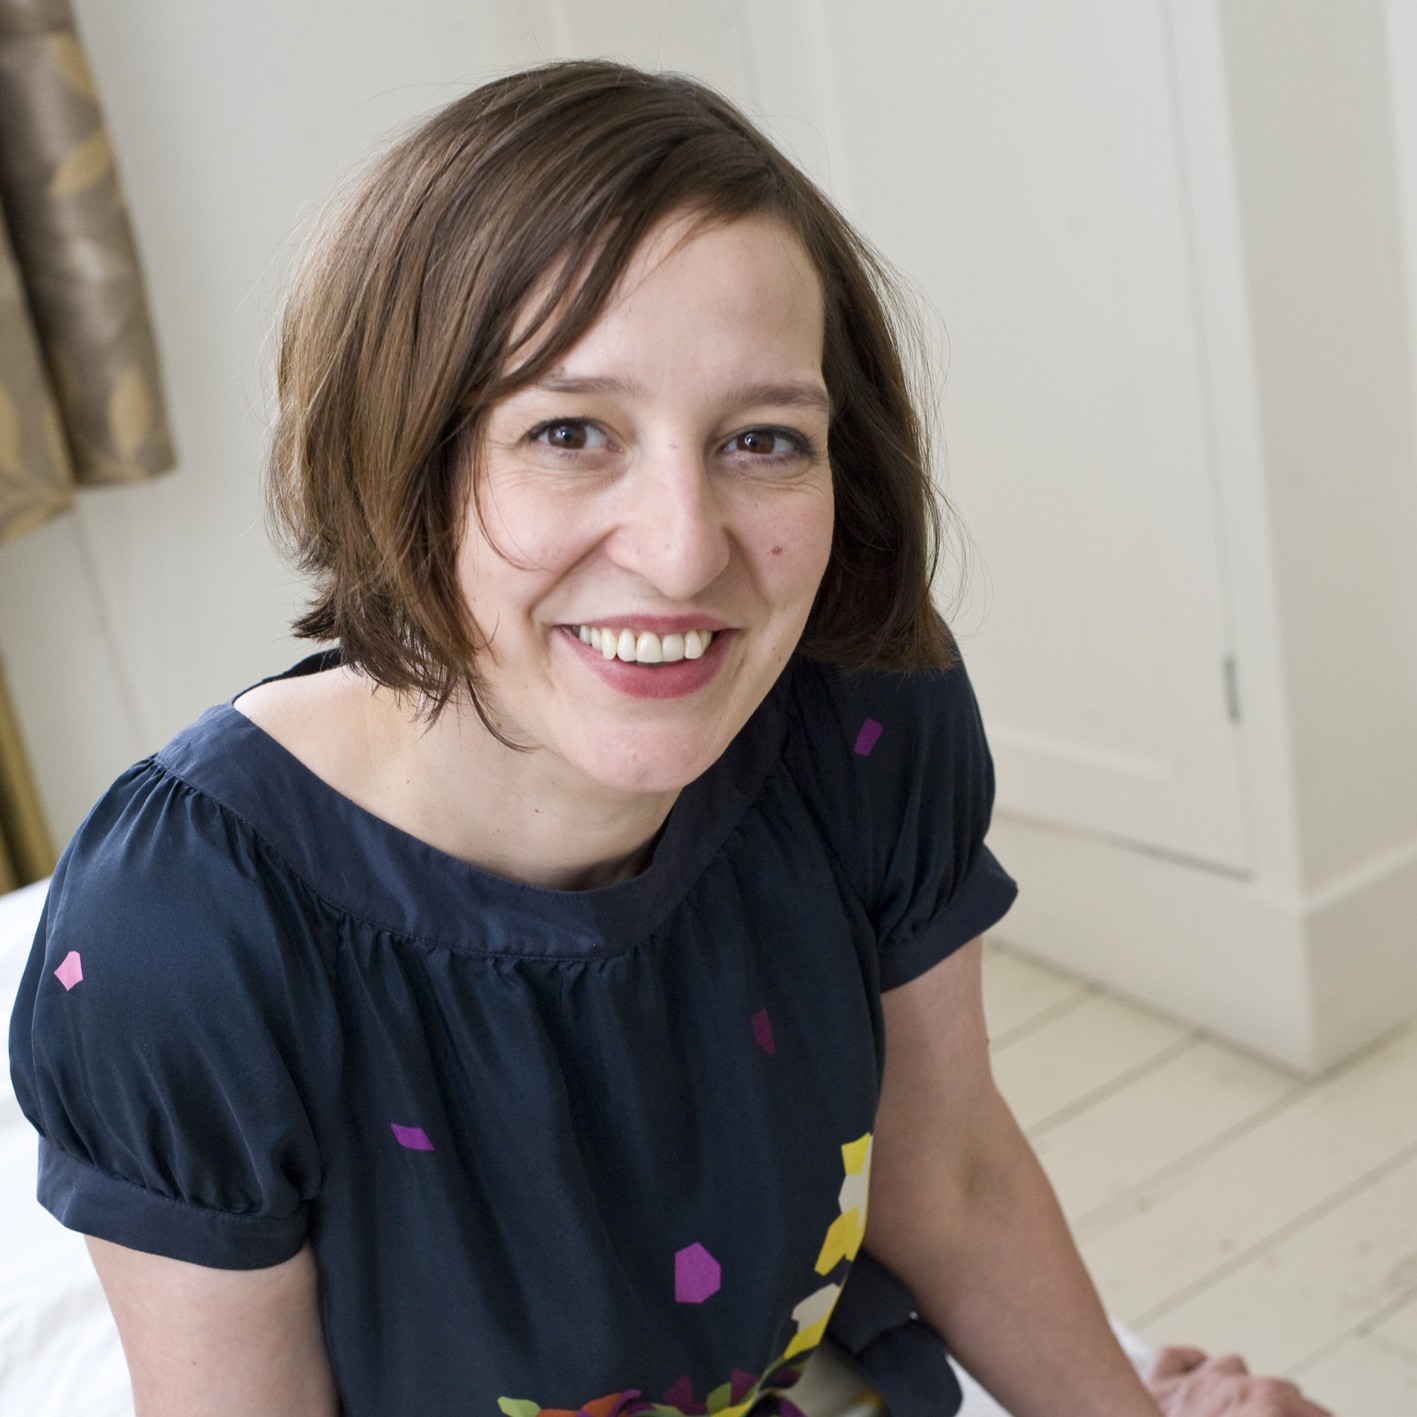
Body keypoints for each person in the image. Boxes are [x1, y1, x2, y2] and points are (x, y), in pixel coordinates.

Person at [8, 60, 1328, 1417]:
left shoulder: (867, 710)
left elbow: (952, 1180)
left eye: (762, 438)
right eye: (569, 430)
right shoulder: (178, 932)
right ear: (400, 451)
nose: (684, 549)